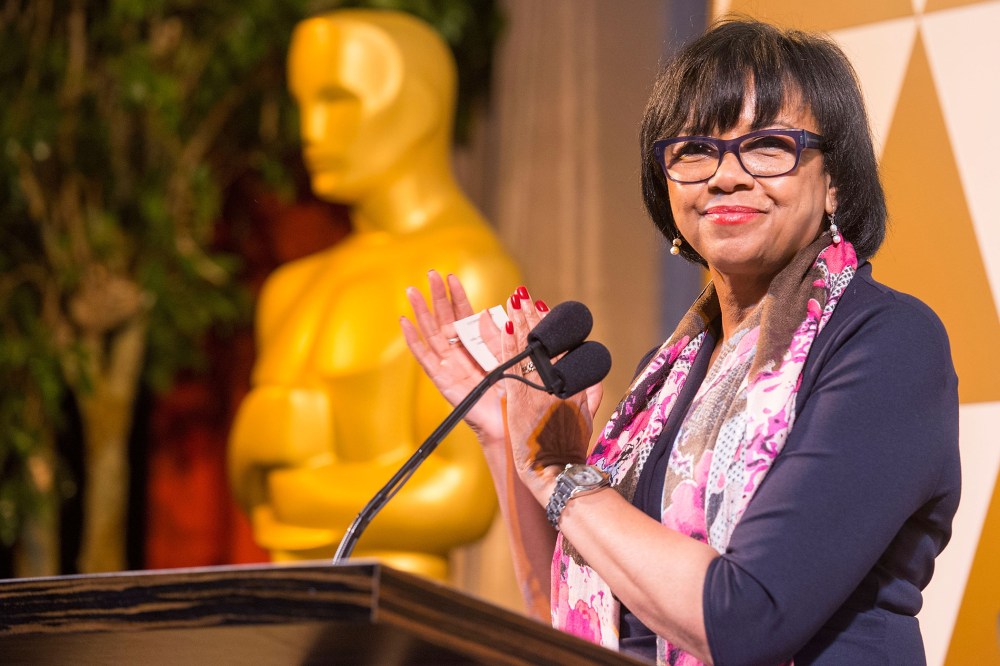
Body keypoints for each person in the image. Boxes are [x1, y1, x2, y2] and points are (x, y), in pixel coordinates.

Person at [402, 18, 960, 665]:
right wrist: (509, 438)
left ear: (834, 178)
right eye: (695, 150)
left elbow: (745, 618)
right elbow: (565, 611)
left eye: (768, 145)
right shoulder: (668, 377)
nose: (725, 176)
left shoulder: (887, 343)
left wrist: (557, 472)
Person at [228, 10, 521, 581]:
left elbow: (466, 495)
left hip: (394, 607)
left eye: (338, 101)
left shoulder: (469, 273)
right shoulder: (291, 287)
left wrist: (297, 495)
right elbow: (255, 490)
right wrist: (252, 450)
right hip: (282, 600)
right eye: (303, 104)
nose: (311, 130)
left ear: (417, 107)